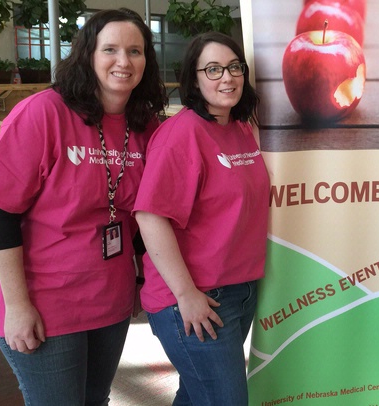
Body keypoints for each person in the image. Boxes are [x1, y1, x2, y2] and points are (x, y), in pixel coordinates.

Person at [0, 8, 166, 405]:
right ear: (88, 54)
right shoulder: (45, 112)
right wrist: (17, 305)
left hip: (109, 297)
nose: (123, 61)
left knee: (95, 400)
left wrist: (141, 279)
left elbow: (143, 214)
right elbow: (1, 212)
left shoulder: (146, 125)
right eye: (110, 49)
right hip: (45, 299)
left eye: (135, 51)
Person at [133, 32, 269, 405]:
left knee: (197, 396)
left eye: (234, 67)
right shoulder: (180, 135)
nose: (227, 77)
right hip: (196, 299)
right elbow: (150, 217)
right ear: (193, 79)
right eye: (213, 69)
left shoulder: (239, 129)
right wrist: (186, 294)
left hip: (239, 292)